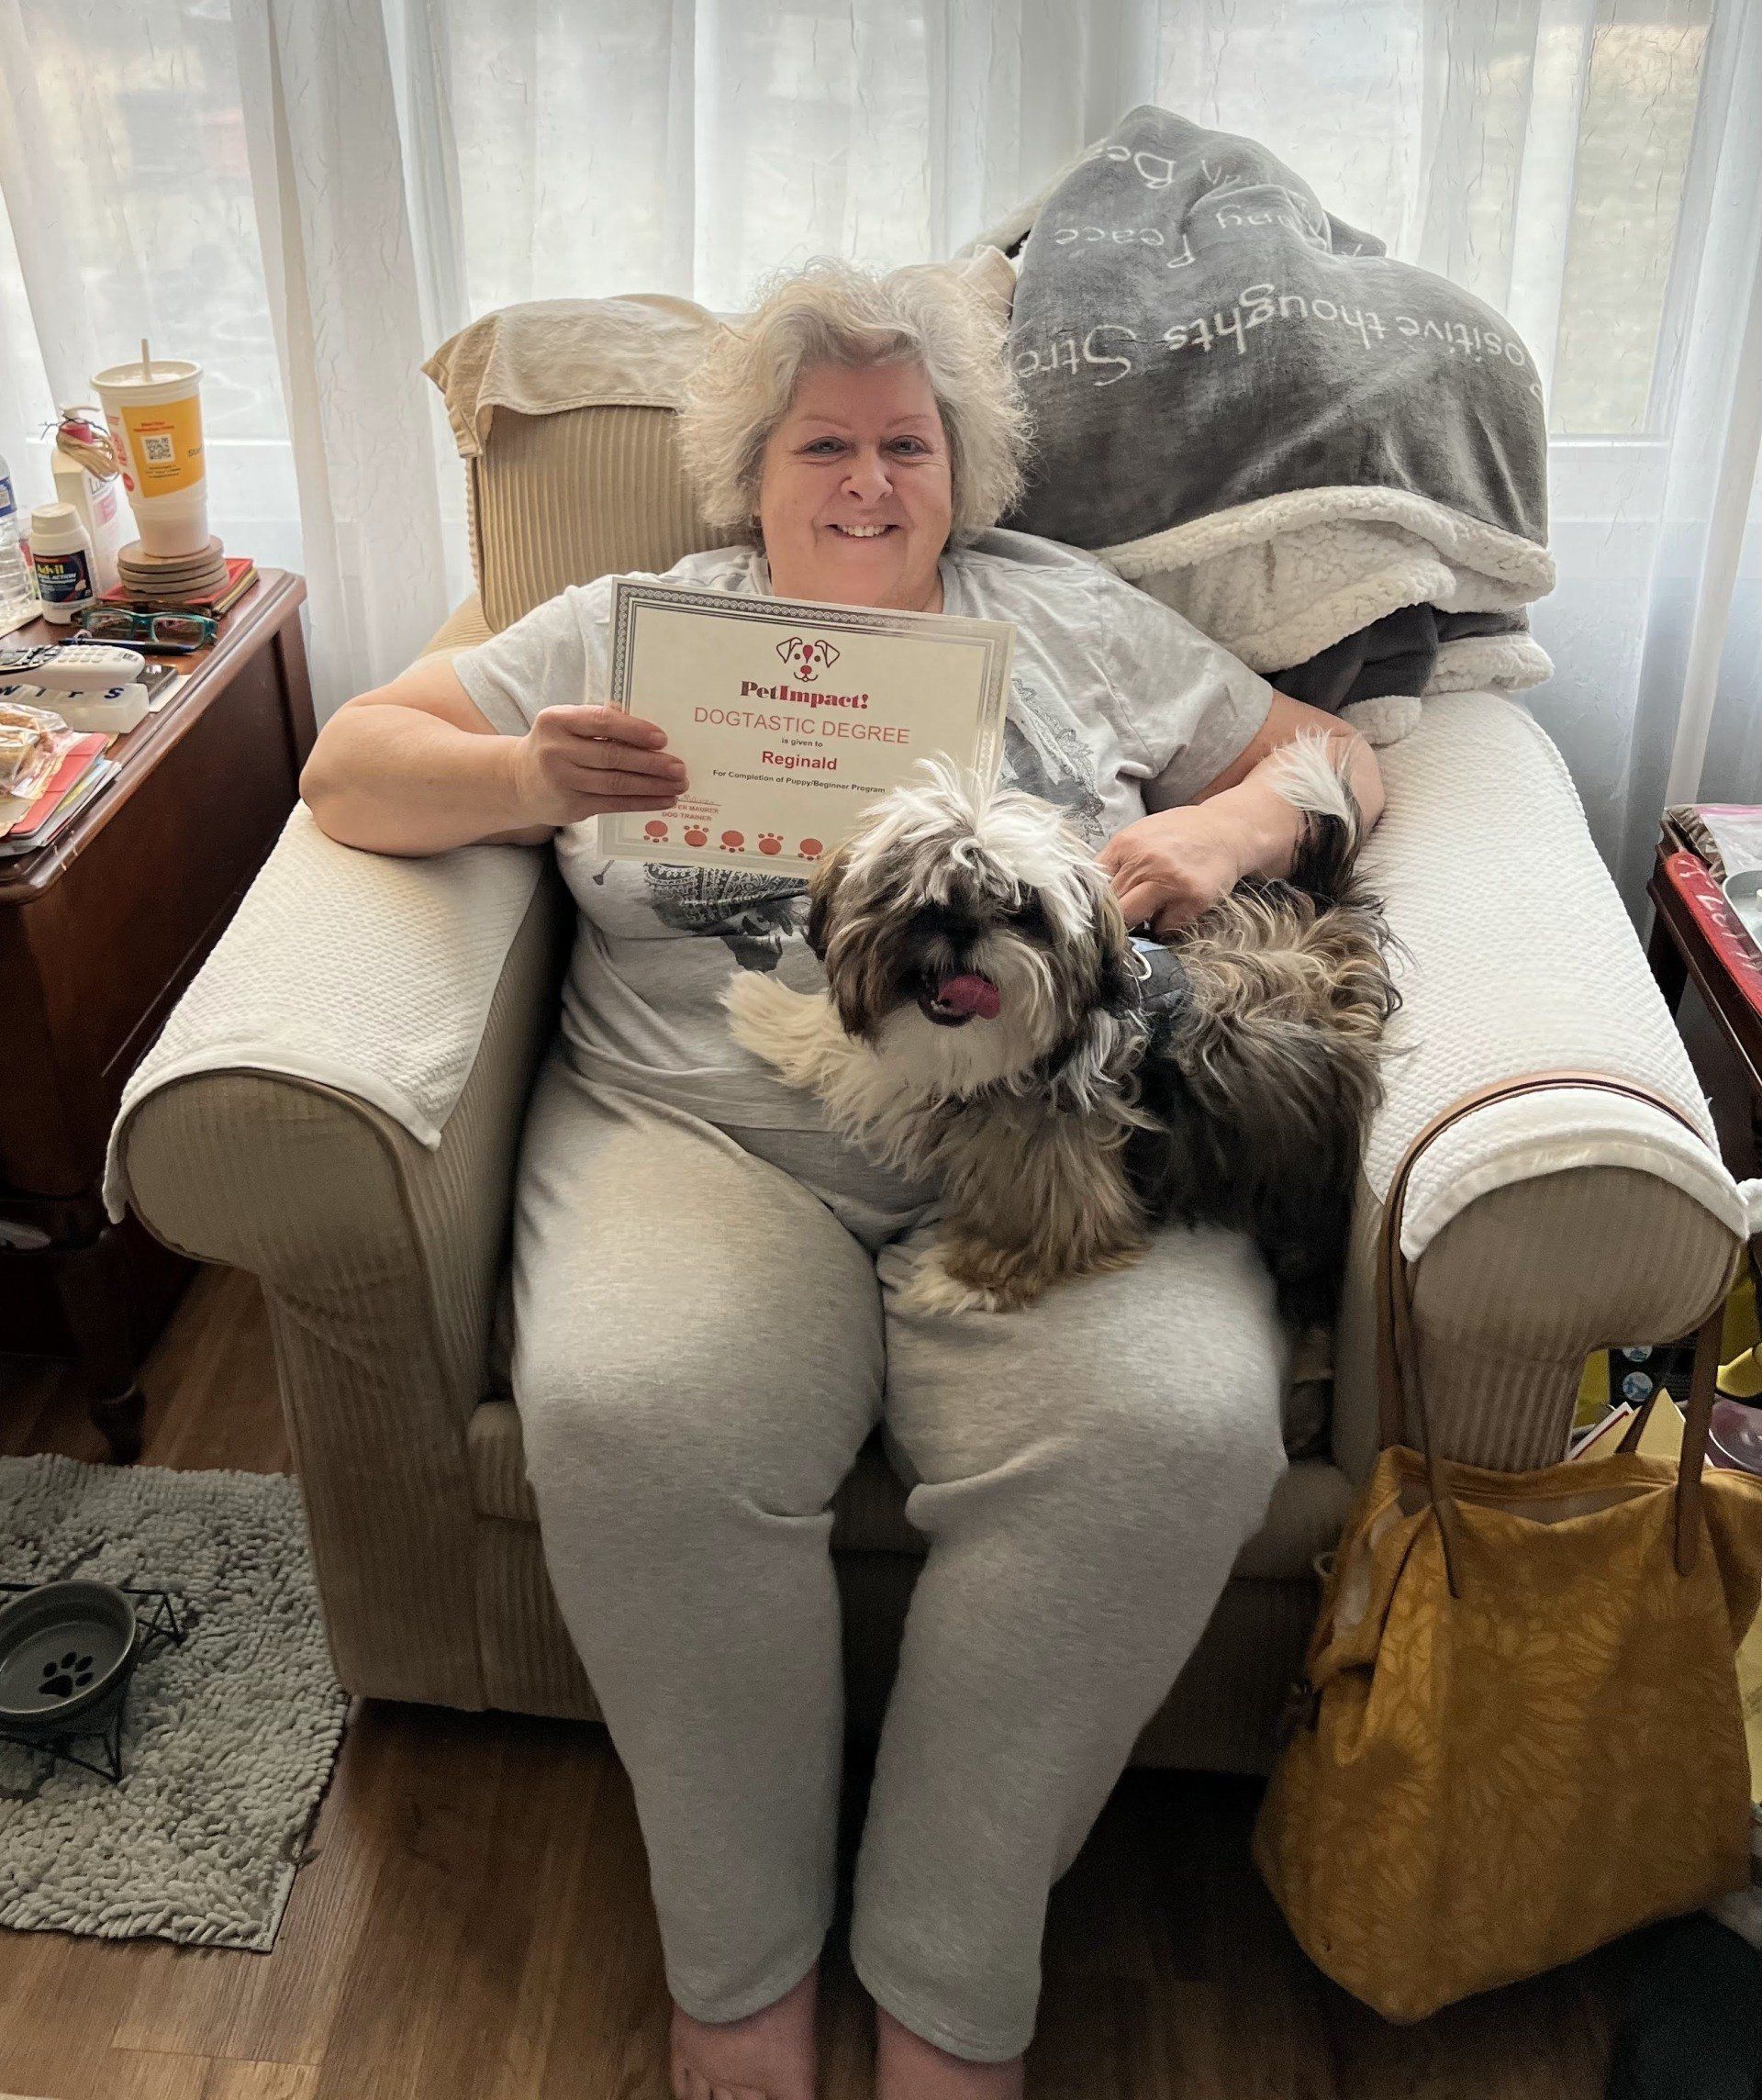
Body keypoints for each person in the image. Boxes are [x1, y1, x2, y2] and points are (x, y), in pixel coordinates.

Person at [299, 255, 1386, 2100]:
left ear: (961, 471)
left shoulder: (1069, 613)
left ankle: (948, 1974)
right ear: (753, 471)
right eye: (825, 444)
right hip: (704, 1129)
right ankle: (743, 1969)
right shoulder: (634, 619)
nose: (869, 479)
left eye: (907, 444)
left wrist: (1222, 826)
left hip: (1053, 1153)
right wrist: (526, 775)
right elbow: (349, 765)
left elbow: (1335, 750)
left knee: (1178, 1431)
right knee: (638, 1409)